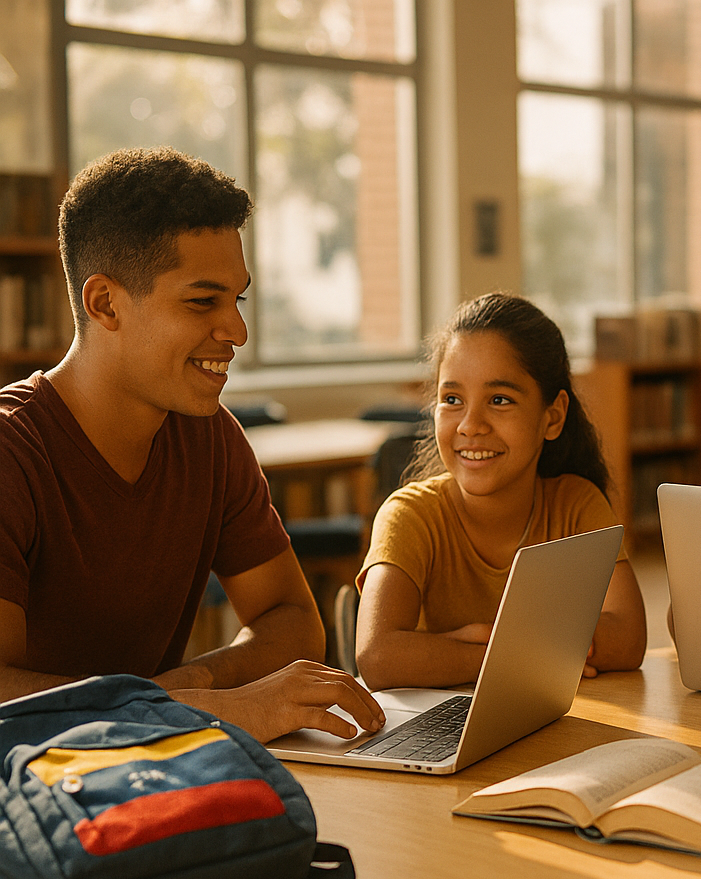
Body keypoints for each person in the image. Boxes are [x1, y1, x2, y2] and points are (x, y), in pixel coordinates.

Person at [0, 147, 384, 743]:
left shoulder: (210, 436)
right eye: (203, 301)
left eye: (238, 299)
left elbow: (292, 622)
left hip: (152, 769)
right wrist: (197, 710)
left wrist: (192, 688)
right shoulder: (11, 453)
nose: (237, 331)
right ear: (104, 303)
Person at [355, 292, 646, 688]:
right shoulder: (409, 516)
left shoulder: (576, 504)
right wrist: (521, 657)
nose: (470, 425)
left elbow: (629, 638)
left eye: (499, 400)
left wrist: (470, 653)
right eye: (452, 399)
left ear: (553, 417)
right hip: (438, 722)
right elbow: (377, 656)